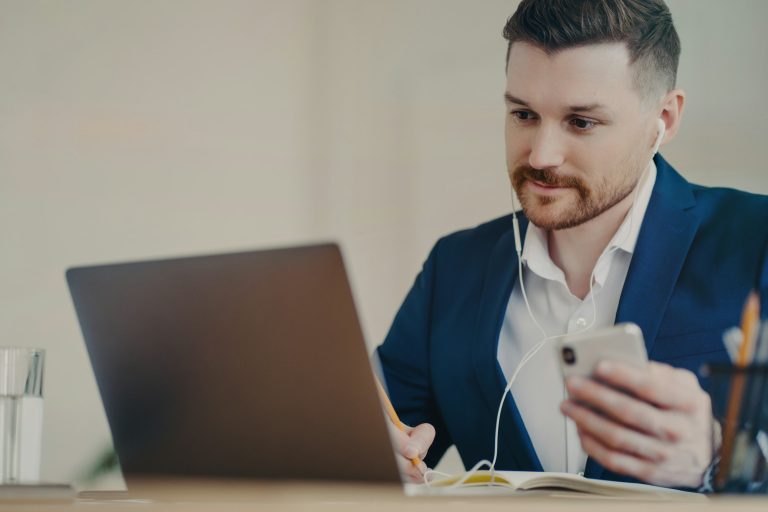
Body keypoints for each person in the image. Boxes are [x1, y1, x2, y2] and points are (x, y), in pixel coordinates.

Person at [376, 0, 768, 491]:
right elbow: (367, 440)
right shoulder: (452, 270)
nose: (541, 155)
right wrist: (367, 451)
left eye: (581, 122)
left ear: (663, 119)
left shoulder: (757, 242)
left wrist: (723, 461)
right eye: (523, 113)